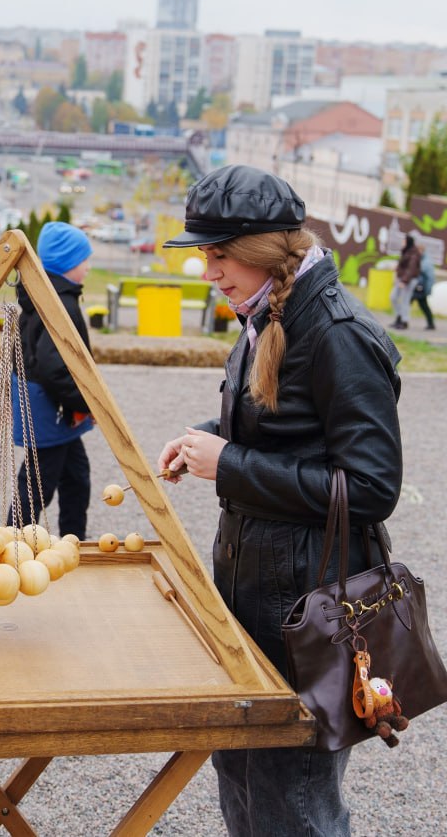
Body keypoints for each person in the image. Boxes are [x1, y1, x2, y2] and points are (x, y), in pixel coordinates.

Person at [156, 165, 402, 837]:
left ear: (265, 249)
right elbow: (285, 430)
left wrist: (230, 465)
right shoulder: (266, 309)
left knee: (295, 800)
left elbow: (374, 487)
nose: (208, 269)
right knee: (242, 776)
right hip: (256, 597)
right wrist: (206, 441)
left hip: (307, 613)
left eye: (218, 253)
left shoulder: (337, 332)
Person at [9, 222, 95, 540]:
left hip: (51, 405)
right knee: (36, 485)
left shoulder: (47, 293)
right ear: (69, 263)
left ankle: (74, 539)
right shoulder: (59, 303)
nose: (88, 266)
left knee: (77, 477)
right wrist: (85, 402)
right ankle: (8, 542)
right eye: (84, 259)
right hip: (50, 408)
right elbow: (53, 367)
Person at [389, 233, 421, 330]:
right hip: (401, 278)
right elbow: (403, 264)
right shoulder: (406, 251)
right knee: (393, 297)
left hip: (408, 280)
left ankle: (404, 321)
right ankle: (399, 317)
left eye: (404, 241)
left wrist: (404, 280)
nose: (402, 242)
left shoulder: (414, 253)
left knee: (405, 301)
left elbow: (411, 268)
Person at [411, 241, 436, 330]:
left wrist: (428, 289)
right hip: (417, 287)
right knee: (409, 303)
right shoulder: (420, 260)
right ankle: (401, 320)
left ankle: (431, 324)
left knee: (423, 306)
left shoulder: (426, 262)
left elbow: (430, 277)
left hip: (421, 288)